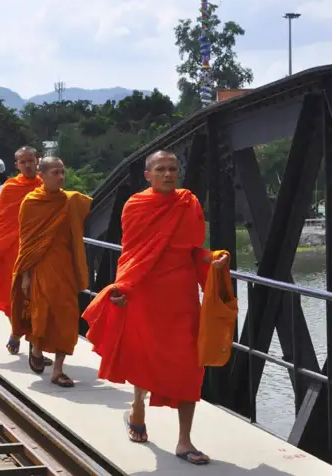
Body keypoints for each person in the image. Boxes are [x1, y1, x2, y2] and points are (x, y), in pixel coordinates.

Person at [82, 150, 230, 466]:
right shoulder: (136, 205)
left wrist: (212, 259)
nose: (168, 174)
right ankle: (138, 405)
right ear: (148, 175)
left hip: (182, 296)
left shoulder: (188, 203)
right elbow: (131, 255)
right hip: (146, 294)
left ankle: (184, 441)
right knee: (145, 355)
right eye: (160, 169)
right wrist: (122, 289)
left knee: (191, 365)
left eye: (173, 169)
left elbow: (193, 252)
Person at [10, 156, 91, 388]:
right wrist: (25, 276)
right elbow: (27, 243)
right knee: (42, 314)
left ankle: (58, 370)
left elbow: (92, 209)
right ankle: (36, 347)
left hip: (65, 267)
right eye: (55, 173)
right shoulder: (31, 202)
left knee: (66, 315)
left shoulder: (71, 200)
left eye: (62, 172)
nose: (61, 177)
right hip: (41, 267)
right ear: (42, 176)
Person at [0, 147, 45, 358]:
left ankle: (35, 344)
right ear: (16, 165)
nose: (28, 165)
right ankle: (16, 330)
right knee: (14, 295)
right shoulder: (9, 188)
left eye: (31, 160)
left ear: (37, 161)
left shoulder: (46, 186)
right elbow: (2, 222)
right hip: (12, 249)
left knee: (39, 297)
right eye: (22, 162)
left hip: (40, 248)